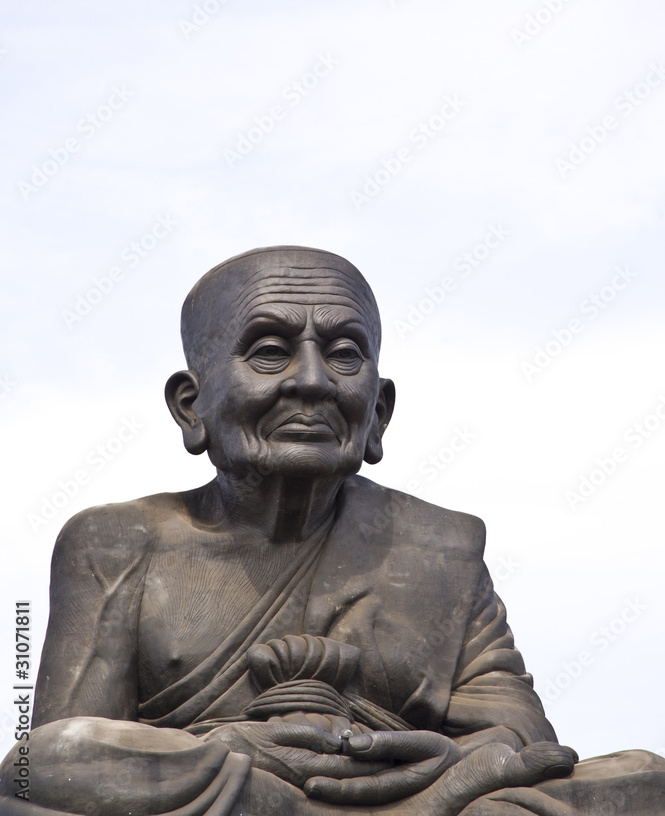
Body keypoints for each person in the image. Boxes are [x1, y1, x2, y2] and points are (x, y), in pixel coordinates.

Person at [1, 246, 663, 816]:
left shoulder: (439, 549)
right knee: (45, 764)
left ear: (377, 412)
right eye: (268, 352)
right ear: (190, 406)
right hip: (225, 794)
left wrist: (415, 760)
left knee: (643, 778)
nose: (313, 381)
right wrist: (235, 749)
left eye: (345, 354)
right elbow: (53, 764)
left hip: (402, 794)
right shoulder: (117, 542)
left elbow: (520, 740)